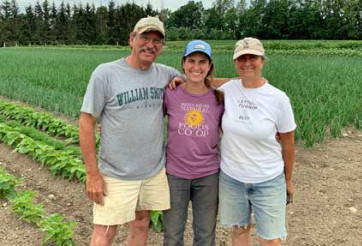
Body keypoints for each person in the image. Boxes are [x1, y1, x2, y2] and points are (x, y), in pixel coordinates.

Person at [79, 16, 182, 246]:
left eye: (157, 40)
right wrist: (92, 173)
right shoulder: (105, 74)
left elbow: (200, 82)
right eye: (145, 37)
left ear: (162, 47)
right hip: (115, 173)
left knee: (141, 222)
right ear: (132, 40)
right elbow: (86, 122)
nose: (150, 44)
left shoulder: (165, 73)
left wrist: (244, 83)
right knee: (104, 233)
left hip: (152, 171)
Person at [217, 37, 296, 246]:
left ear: (262, 61)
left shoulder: (278, 99)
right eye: (241, 58)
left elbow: (288, 143)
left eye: (253, 57)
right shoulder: (228, 89)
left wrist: (288, 180)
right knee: (239, 231)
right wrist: (179, 79)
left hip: (267, 179)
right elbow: (203, 80)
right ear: (235, 62)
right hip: (232, 178)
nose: (247, 63)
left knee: (270, 239)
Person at [162, 40, 224, 246]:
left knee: (205, 236)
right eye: (191, 61)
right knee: (172, 235)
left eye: (202, 62)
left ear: (209, 67)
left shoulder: (218, 98)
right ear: (183, 63)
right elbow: (147, 119)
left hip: (208, 175)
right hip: (175, 174)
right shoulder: (170, 93)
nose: (196, 67)